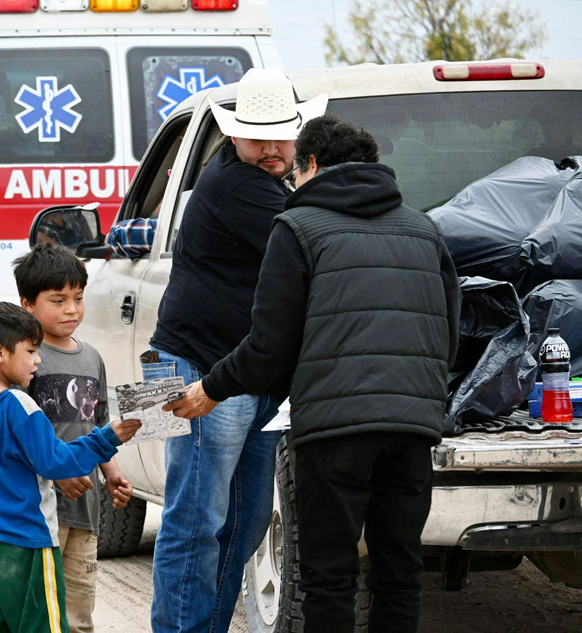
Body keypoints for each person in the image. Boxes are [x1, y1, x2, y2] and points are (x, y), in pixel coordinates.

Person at [169, 115, 461, 633]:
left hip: (334, 432)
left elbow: (269, 344)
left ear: (312, 165)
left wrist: (212, 387)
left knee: (329, 578)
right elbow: (449, 332)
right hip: (413, 429)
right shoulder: (425, 229)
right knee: (400, 574)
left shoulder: (299, 228)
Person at [146, 67, 328, 632]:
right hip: (191, 368)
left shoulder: (262, 180)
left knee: (244, 522)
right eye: (259, 136)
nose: (273, 148)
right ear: (232, 135)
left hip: (242, 376)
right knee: (195, 520)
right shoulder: (237, 185)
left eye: (282, 134)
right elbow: (314, 242)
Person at [0, 302, 142, 633]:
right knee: (44, 625)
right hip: (28, 544)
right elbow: (56, 461)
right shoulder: (19, 404)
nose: (38, 360)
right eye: (31, 350)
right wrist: (107, 437)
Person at [12, 243, 135, 633]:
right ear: (27, 304)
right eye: (58, 300)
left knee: (79, 613)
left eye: (78, 299)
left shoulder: (91, 358)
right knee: (36, 611)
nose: (71, 310)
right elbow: (15, 432)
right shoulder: (25, 359)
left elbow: (98, 423)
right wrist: (56, 472)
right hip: (40, 508)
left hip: (86, 508)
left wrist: (112, 473)